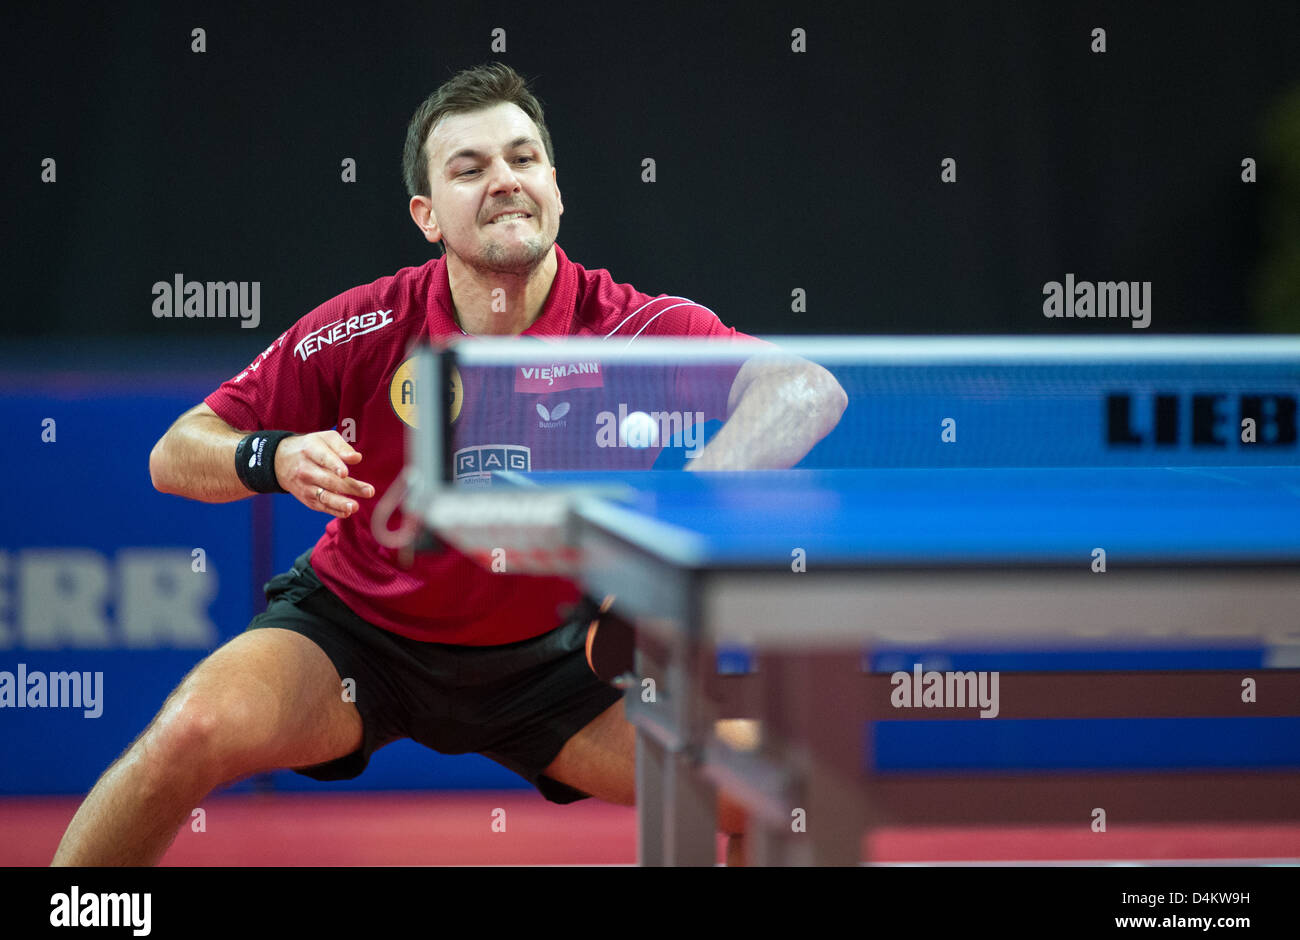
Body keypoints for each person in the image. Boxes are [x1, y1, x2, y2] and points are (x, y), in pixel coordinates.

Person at [52, 62, 846, 867]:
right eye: (470, 169)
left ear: (557, 188)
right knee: (188, 732)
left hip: (557, 660)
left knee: (783, 793)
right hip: (357, 636)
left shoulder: (634, 329)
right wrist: (273, 454)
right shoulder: (363, 327)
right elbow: (173, 453)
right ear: (426, 215)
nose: (504, 180)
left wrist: (669, 527)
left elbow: (806, 390)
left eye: (523, 158)